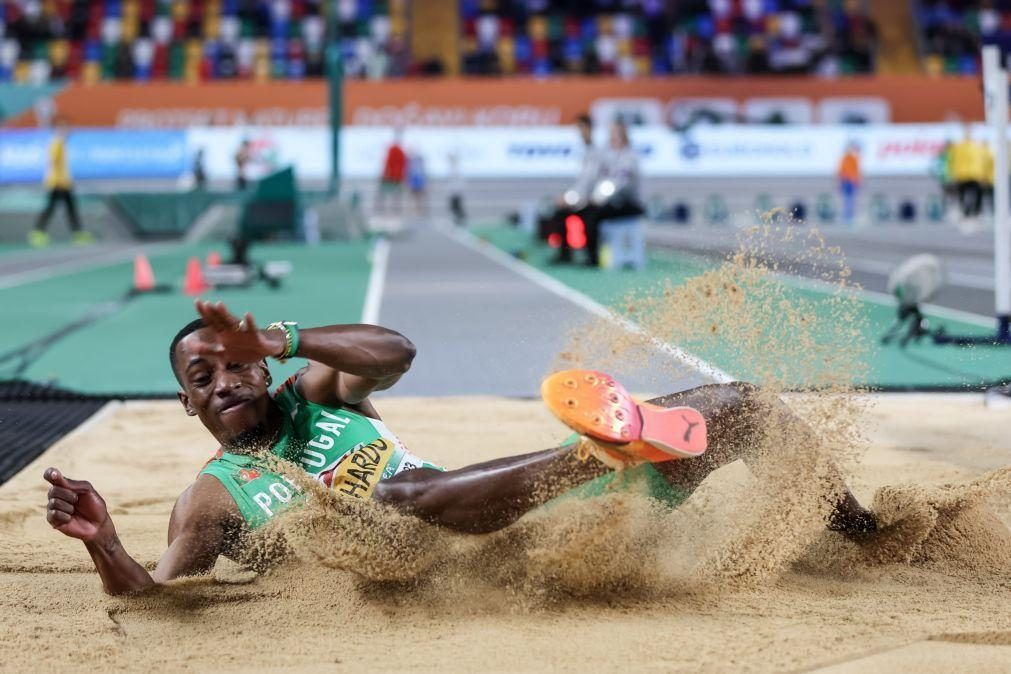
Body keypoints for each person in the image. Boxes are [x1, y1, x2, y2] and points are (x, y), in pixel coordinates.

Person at [44, 301, 878, 595]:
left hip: (545, 518)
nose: (227, 379)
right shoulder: (213, 498)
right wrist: (105, 542)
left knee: (743, 406)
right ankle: (596, 451)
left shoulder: (311, 392)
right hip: (450, 569)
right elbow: (154, 596)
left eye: (239, 364)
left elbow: (395, 354)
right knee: (391, 508)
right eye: (204, 374)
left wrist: (287, 335)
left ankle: (865, 535)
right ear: (186, 402)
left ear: (267, 372)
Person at [578, 120, 645, 267]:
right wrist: (591, 196)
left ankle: (594, 257)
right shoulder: (609, 156)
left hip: (629, 203)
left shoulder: (630, 157)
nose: (612, 138)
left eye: (615, 134)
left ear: (623, 137)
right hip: (612, 201)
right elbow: (598, 179)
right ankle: (588, 253)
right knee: (586, 211)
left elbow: (620, 183)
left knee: (593, 214)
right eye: (611, 135)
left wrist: (599, 198)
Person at [543, 113, 603, 264]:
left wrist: (571, 198)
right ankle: (565, 254)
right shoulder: (585, 151)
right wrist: (569, 197)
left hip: (593, 200)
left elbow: (589, 182)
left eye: (580, 128)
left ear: (588, 128)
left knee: (590, 218)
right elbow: (582, 182)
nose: (578, 132)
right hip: (583, 198)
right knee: (559, 214)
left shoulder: (597, 152)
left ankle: (592, 257)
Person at [30, 118, 91, 247]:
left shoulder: (61, 143)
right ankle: (39, 231)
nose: (68, 130)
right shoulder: (56, 143)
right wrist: (60, 180)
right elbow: (54, 164)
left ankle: (77, 232)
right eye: (65, 128)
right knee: (57, 208)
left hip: (62, 182)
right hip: (58, 183)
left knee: (66, 208)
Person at [376, 129, 407, 215]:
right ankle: (393, 209)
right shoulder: (399, 150)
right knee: (394, 194)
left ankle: (382, 208)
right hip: (396, 176)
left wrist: (385, 173)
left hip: (391, 176)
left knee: (386, 193)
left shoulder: (394, 149)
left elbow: (388, 162)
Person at [837, 142, 862, 226]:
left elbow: (855, 171)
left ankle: (849, 216)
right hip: (848, 181)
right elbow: (842, 171)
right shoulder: (848, 159)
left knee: (849, 199)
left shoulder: (851, 158)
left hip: (849, 181)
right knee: (848, 199)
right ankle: (848, 216)